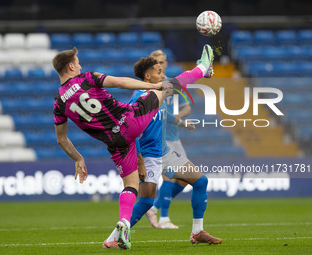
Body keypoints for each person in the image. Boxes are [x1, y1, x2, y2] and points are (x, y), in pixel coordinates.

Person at [103, 45, 222, 249]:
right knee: (147, 202)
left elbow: (182, 82)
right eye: (159, 72)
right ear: (147, 76)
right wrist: (139, 161)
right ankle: (113, 238)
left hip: (164, 152)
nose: (163, 75)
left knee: (201, 181)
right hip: (148, 156)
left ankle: (197, 232)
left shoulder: (157, 93)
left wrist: (202, 68)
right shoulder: (140, 100)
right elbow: (132, 135)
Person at [52, 47, 171, 250]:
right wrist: (154, 85)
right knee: (167, 89)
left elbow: (61, 139)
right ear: (71, 66)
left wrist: (78, 159)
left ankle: (124, 222)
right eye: (78, 62)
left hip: (113, 142)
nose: (80, 65)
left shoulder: (59, 103)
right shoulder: (87, 78)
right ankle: (202, 69)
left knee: (130, 185)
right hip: (128, 122)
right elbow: (120, 82)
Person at [146, 49, 191, 229]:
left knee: (184, 179)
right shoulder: (148, 86)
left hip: (175, 138)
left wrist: (179, 117)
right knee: (169, 178)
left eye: (163, 61)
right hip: (160, 139)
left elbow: (187, 107)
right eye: (157, 61)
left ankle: (154, 207)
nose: (161, 64)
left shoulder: (174, 84)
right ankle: (164, 218)